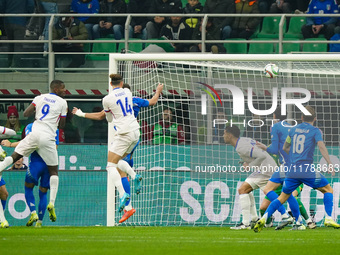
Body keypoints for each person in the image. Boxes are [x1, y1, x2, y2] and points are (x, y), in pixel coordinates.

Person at [73, 82, 163, 222]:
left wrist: (81, 114)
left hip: (123, 138)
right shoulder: (135, 100)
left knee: (115, 168)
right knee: (121, 167)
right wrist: (158, 91)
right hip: (134, 137)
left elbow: (100, 116)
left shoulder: (114, 101)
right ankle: (132, 185)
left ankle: (127, 203)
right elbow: (153, 101)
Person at [254, 106, 340, 232]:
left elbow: (284, 147)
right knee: (328, 190)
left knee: (282, 197)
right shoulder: (316, 131)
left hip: (292, 170)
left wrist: (295, 156)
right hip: (306, 169)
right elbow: (321, 146)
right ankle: (328, 217)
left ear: (301, 117)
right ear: (315, 118)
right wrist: (329, 163)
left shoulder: (293, 130)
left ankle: (264, 218)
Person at [0, 80, 68, 224]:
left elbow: (26, 113)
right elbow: (62, 125)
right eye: (62, 88)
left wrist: (38, 115)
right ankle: (52, 203)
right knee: (54, 171)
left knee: (14, 156)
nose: (65, 90)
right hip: (48, 137)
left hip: (34, 133)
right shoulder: (62, 102)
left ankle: (0, 168)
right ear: (55, 88)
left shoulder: (39, 98)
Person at [256, 107, 315, 229]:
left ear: (274, 116)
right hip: (297, 165)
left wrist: (263, 147)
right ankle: (299, 222)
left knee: (268, 189)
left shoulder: (276, 126)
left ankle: (285, 215)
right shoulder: (293, 127)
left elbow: (273, 150)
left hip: (287, 165)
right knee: (288, 193)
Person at [223, 125, 292, 230]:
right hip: (266, 168)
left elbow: (262, 156)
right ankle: (260, 218)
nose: (223, 136)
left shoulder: (241, 147)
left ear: (229, 135)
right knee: (250, 190)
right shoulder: (243, 141)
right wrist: (249, 161)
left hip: (265, 170)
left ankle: (246, 223)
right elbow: (259, 149)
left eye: (224, 133)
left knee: (243, 189)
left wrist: (249, 165)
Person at [1, 123, 59, 227]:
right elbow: (54, 147)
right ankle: (39, 223)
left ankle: (33, 213)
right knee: (43, 193)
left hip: (36, 163)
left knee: (28, 188)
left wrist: (11, 144)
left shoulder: (31, 126)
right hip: (49, 165)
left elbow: (27, 142)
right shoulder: (54, 128)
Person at [0, 0, 35, 67]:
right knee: (18, 45)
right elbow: (31, 6)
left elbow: (1, 6)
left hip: (7, 20)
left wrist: (3, 17)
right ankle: (16, 65)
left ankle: (9, 64)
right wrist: (26, 16)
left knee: (10, 44)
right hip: (20, 20)